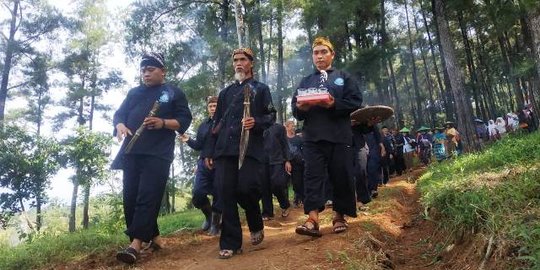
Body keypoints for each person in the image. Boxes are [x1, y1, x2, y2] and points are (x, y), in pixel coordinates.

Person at [112, 52, 192, 264]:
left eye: (150, 70)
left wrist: (163, 123)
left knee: (147, 196)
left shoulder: (173, 92)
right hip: (131, 151)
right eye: (143, 70)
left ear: (162, 71)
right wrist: (119, 125)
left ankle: (136, 245)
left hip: (158, 153)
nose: (145, 74)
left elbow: (185, 119)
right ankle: (154, 238)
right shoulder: (133, 93)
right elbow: (119, 114)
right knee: (130, 197)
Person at [204, 48, 275, 259]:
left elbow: (270, 115)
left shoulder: (261, 89)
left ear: (251, 63)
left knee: (245, 189)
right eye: (235, 60)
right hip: (225, 150)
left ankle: (255, 220)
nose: (238, 63)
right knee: (226, 195)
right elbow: (215, 124)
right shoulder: (225, 93)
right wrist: (208, 151)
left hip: (250, 149)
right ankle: (231, 243)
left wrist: (257, 122)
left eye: (243, 59)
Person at [292, 37, 362, 237]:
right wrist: (300, 108)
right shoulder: (305, 81)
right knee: (312, 176)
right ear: (312, 56)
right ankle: (312, 219)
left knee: (341, 175)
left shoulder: (344, 77)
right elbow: (295, 110)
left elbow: (355, 101)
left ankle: (339, 216)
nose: (319, 56)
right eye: (316, 52)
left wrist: (334, 104)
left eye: (324, 52)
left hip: (339, 135)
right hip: (313, 137)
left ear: (332, 54)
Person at [179, 96, 221, 236]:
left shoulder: (224, 123)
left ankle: (216, 225)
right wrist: (188, 140)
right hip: (203, 164)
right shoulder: (203, 125)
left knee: (218, 194)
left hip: (219, 163)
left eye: (215, 105)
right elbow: (199, 146)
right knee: (197, 194)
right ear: (207, 108)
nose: (213, 108)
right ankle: (208, 216)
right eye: (211, 106)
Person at [261, 122, 292, 220]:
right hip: (262, 161)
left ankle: (285, 205)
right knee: (264, 187)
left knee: (277, 184)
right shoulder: (258, 126)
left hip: (277, 160)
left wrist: (287, 160)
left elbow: (285, 144)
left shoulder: (279, 128)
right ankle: (267, 212)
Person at [285, 120, 305, 208]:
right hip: (286, 163)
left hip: (298, 164)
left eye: (294, 126)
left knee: (298, 182)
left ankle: (299, 198)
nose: (293, 127)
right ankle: (285, 203)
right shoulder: (284, 139)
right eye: (291, 126)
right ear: (287, 127)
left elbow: (303, 149)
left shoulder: (298, 139)